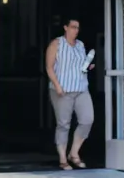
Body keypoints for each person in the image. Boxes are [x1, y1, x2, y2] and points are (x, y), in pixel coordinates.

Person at [45, 18, 95, 170]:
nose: (76, 30)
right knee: (63, 124)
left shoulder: (80, 45)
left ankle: (73, 153)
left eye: (78, 28)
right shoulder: (56, 44)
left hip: (81, 88)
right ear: (65, 27)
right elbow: (49, 67)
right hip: (62, 90)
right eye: (73, 27)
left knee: (87, 119)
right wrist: (57, 85)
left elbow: (79, 65)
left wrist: (87, 67)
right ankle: (62, 158)